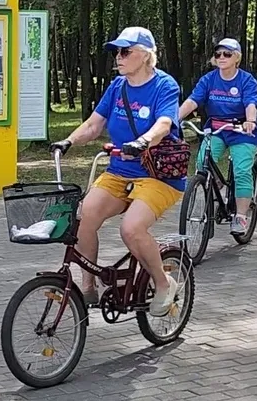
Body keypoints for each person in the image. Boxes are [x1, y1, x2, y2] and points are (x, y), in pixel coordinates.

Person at [49, 26, 184, 316]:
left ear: (146, 56)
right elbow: (94, 124)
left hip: (157, 173)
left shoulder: (164, 85)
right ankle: (88, 287)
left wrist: (143, 141)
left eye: (125, 51)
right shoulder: (117, 86)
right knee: (84, 216)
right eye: (116, 52)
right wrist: (68, 140)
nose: (118, 58)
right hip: (119, 171)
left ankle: (163, 283)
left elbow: (163, 124)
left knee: (131, 229)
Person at [177, 38, 257, 235]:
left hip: (242, 130)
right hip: (216, 128)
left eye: (227, 54)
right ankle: (213, 184)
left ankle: (240, 216)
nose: (222, 57)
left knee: (241, 171)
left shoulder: (246, 80)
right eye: (218, 54)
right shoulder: (209, 79)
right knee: (202, 163)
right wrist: (174, 118)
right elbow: (193, 101)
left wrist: (250, 121)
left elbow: (250, 103)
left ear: (237, 57)